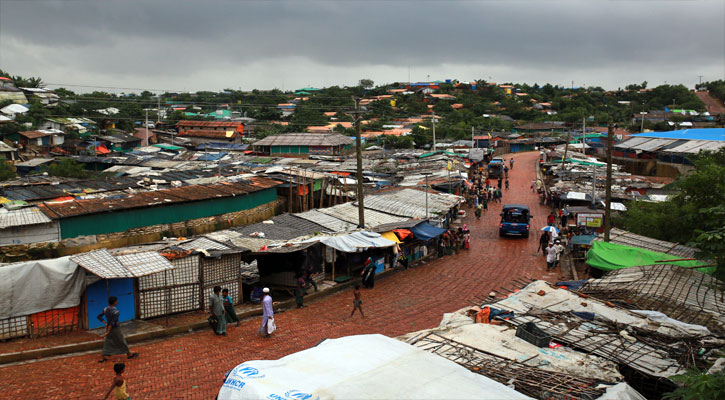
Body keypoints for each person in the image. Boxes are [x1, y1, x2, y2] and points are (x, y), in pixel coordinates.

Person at [97, 296, 139, 363]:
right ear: (115, 302)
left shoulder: (105, 309)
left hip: (108, 327)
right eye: (116, 301)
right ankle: (129, 354)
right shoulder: (116, 312)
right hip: (115, 328)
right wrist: (107, 332)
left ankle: (104, 356)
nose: (117, 302)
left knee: (108, 341)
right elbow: (112, 322)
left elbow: (99, 316)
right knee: (121, 340)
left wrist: (105, 323)